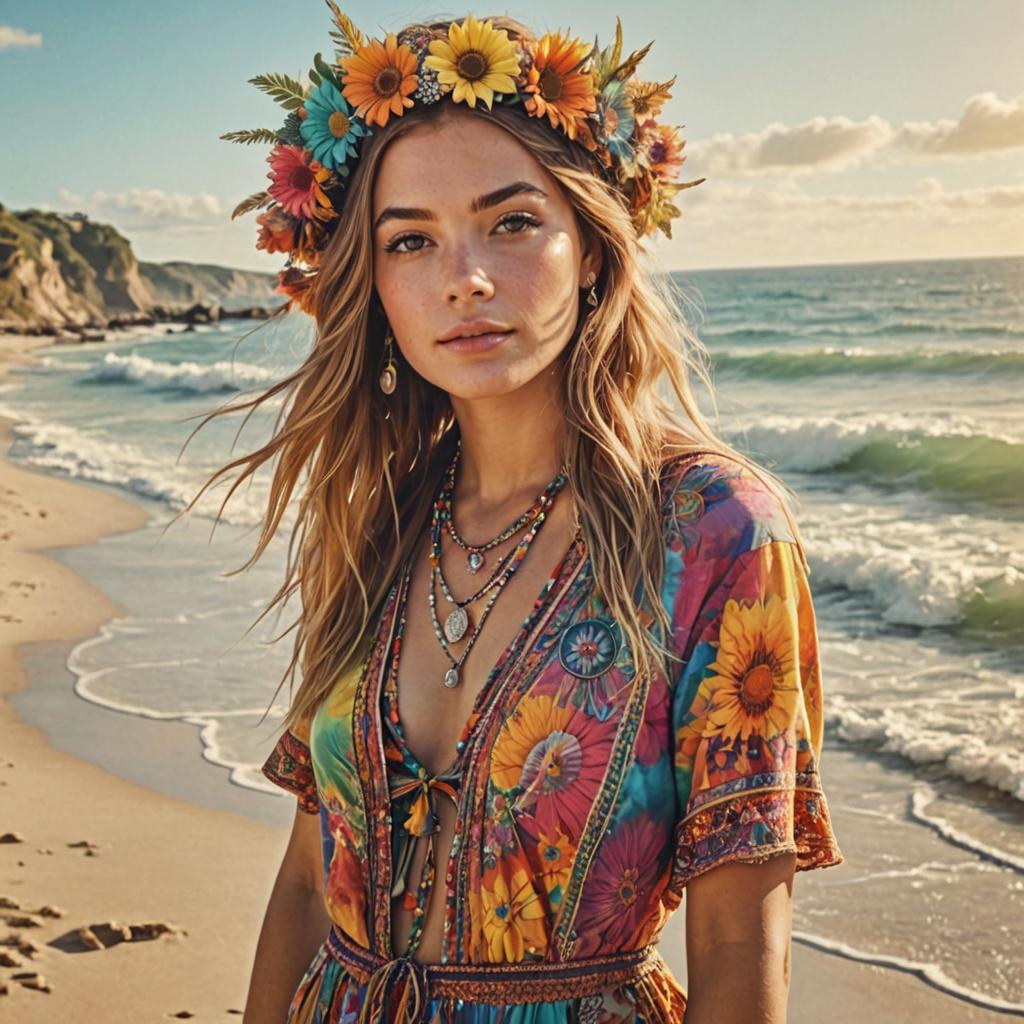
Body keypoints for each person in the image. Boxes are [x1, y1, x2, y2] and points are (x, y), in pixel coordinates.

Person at [200, 5, 845, 1022]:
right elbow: (302, 878)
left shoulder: (716, 530)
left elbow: (734, 934)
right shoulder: (379, 516)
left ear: (590, 246)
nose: (464, 278)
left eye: (511, 222)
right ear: (371, 280)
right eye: (410, 241)